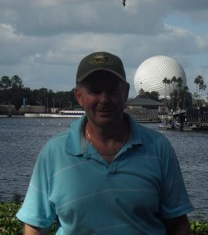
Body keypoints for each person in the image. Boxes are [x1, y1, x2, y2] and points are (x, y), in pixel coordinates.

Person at [16, 51, 194, 235]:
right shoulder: (54, 152)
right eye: (94, 91)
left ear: (125, 92)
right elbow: (35, 226)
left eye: (112, 90)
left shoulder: (159, 148)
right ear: (79, 96)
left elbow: (177, 223)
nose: (104, 100)